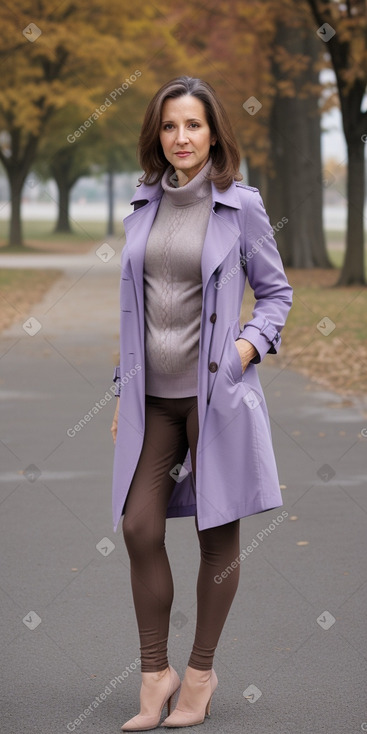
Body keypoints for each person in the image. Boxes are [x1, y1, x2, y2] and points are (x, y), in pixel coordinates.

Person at [110, 75, 293, 731]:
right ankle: (153, 673)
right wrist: (120, 390)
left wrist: (244, 352)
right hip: (151, 399)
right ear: (155, 135)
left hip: (212, 399)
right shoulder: (141, 205)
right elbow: (140, 311)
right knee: (138, 527)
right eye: (169, 126)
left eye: (192, 125)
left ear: (213, 132)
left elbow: (275, 294)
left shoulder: (238, 205)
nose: (181, 137)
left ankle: (199, 673)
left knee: (218, 533)